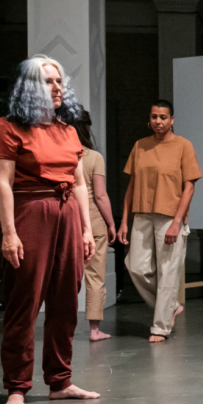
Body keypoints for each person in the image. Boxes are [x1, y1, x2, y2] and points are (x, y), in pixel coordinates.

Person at [0, 55, 101, 404]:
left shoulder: (66, 129)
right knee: (25, 303)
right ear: (29, 88)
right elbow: (2, 185)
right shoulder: (8, 127)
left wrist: (85, 228)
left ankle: (60, 382)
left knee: (67, 301)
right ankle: (17, 388)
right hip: (30, 213)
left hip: (67, 215)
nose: (57, 88)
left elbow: (80, 183)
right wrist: (9, 233)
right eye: (48, 81)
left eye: (59, 81)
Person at [116, 100, 202, 343]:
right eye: (154, 116)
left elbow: (189, 187)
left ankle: (160, 327)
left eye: (163, 117)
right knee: (136, 267)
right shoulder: (140, 146)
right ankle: (170, 306)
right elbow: (131, 186)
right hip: (142, 214)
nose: (158, 121)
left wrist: (177, 222)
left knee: (168, 271)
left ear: (172, 119)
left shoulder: (183, 146)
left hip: (169, 216)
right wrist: (125, 221)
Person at [72, 111, 118, 342]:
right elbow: (100, 196)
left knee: (67, 278)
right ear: (87, 127)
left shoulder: (58, 155)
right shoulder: (93, 157)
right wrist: (112, 224)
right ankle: (94, 330)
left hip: (68, 223)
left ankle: (63, 327)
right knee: (95, 278)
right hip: (94, 223)